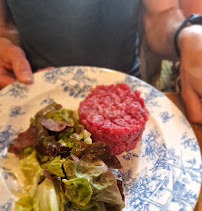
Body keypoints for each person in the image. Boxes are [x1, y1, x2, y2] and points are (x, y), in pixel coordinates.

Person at [0, 0, 201, 124]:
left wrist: (187, 33)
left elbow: (161, 14)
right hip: (35, 89)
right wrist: (4, 45)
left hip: (126, 91)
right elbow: (3, 27)